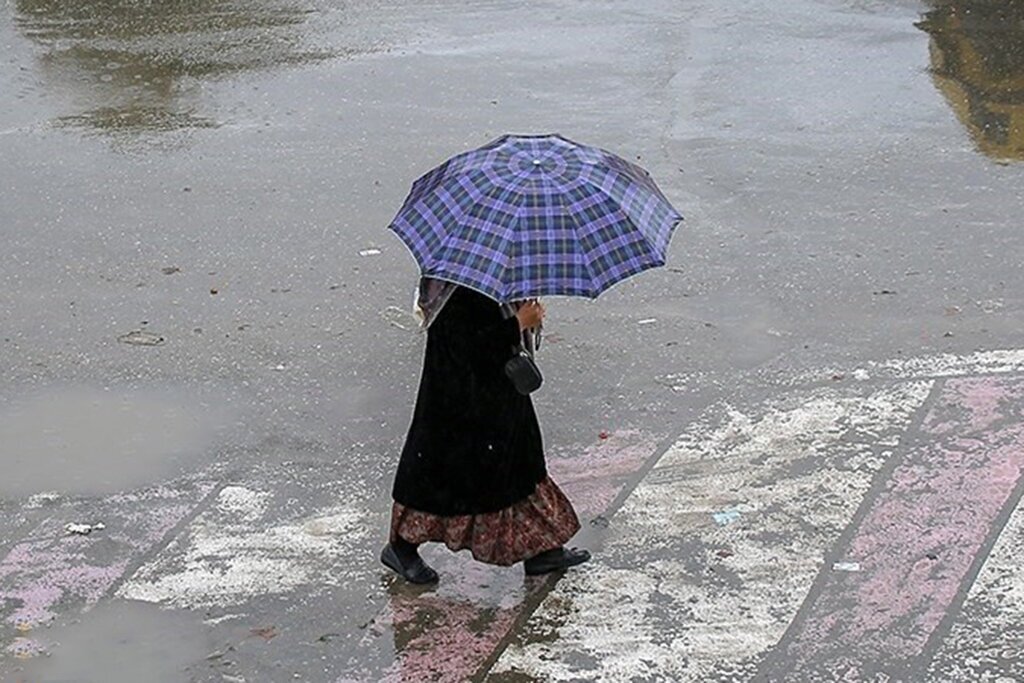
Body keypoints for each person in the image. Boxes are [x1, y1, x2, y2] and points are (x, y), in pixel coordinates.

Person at [381, 278, 590, 583]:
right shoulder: (457, 287)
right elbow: (463, 344)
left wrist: (519, 311)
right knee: (449, 476)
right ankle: (402, 547)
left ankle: (543, 550)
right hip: (461, 401)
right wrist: (517, 322)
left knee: (521, 468)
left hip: (496, 392)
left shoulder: (489, 275)